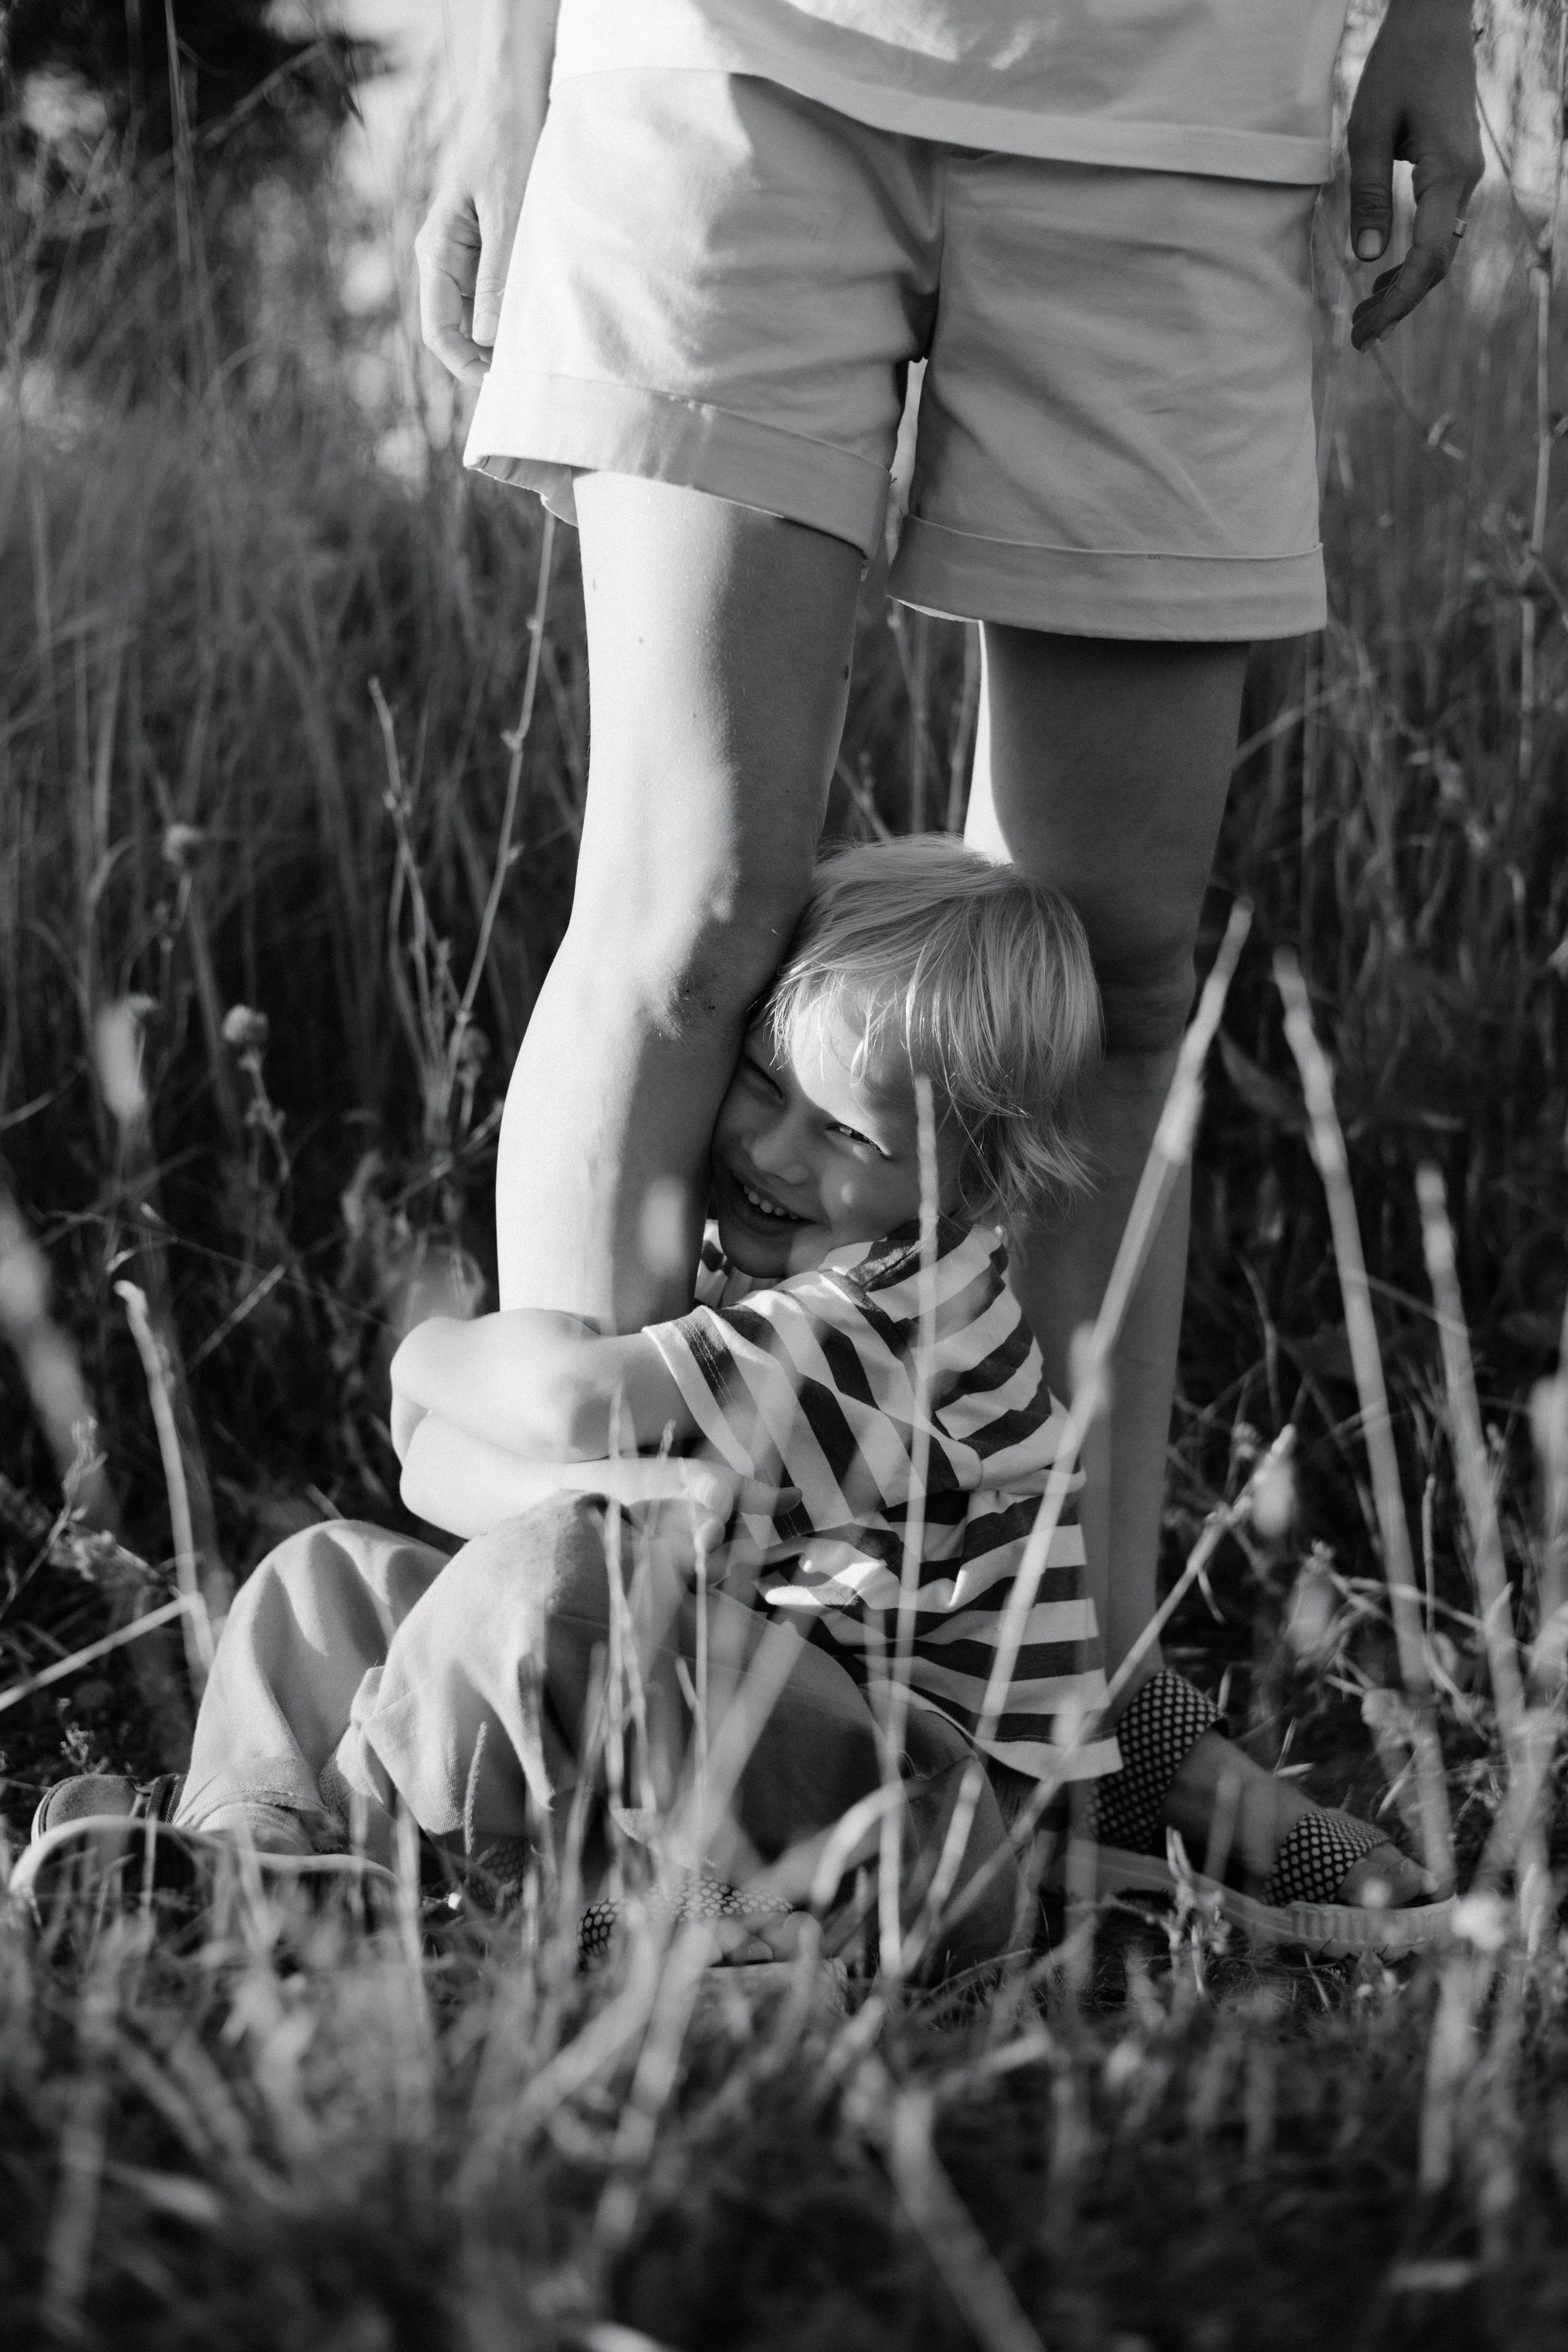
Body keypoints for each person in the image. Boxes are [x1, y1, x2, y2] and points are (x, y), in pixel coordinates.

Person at [411, 2, 1480, 1890]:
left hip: (1196, 94)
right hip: (727, 52)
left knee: (1111, 973)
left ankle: (1096, 1749)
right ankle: (569, 1702)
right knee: (694, 907)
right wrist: (519, 62)